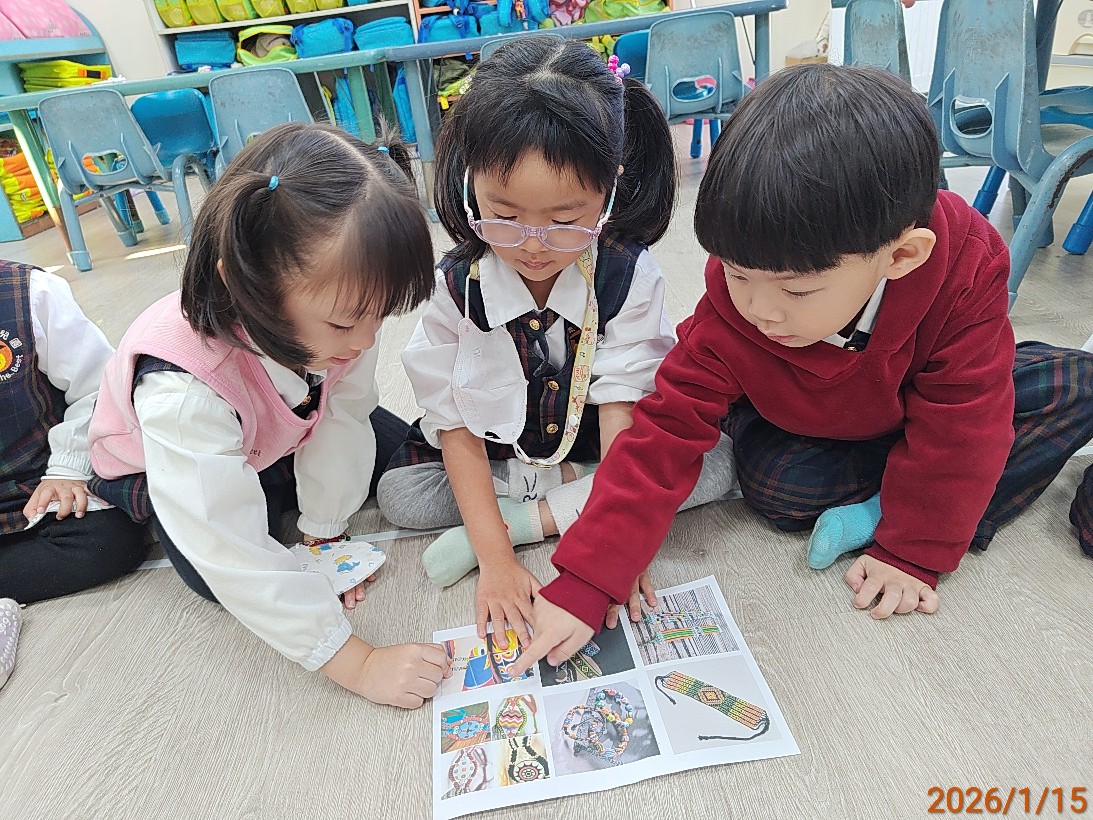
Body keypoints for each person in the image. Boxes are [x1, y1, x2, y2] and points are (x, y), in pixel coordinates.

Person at [508, 64, 1093, 674]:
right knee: (776, 488)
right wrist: (590, 577)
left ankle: (902, 509)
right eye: (736, 274)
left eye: (796, 290)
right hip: (814, 423)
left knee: (1065, 388)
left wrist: (913, 551)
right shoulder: (736, 309)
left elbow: (963, 422)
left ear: (901, 255)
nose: (761, 311)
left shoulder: (963, 267)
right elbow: (665, 432)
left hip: (923, 397)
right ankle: (895, 497)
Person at [376, 38, 738, 647]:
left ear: (610, 191)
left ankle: (532, 516)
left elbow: (622, 407)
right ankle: (565, 497)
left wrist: (618, 543)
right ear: (468, 180)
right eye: (503, 214)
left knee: (715, 462)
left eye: (565, 221)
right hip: (497, 445)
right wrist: (495, 561)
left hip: (594, 437)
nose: (532, 245)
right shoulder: (456, 286)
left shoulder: (626, 272)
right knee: (400, 496)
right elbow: (455, 426)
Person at [87, 123, 449, 708]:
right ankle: (265, 498)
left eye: (380, 316)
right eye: (346, 323)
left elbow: (346, 410)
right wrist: (356, 662)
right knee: (219, 573)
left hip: (274, 428)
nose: (365, 340)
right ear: (248, 287)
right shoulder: (182, 392)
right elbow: (229, 553)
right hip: (161, 462)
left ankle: (286, 495)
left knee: (391, 446)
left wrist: (325, 525)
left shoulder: (346, 316)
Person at [1, 261, 149, 688]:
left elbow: (98, 385)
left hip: (41, 479)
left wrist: (66, 467)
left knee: (110, 541)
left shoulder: (30, 293)